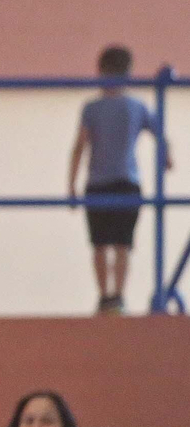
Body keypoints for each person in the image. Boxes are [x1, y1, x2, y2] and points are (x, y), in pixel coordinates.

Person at [68, 45, 172, 315]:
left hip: (100, 185)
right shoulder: (134, 106)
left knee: (102, 244)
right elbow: (160, 133)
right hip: (125, 184)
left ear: (100, 72)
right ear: (128, 74)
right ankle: (116, 299)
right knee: (120, 244)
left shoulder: (93, 108)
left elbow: (79, 147)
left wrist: (71, 187)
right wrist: (166, 157)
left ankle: (107, 298)